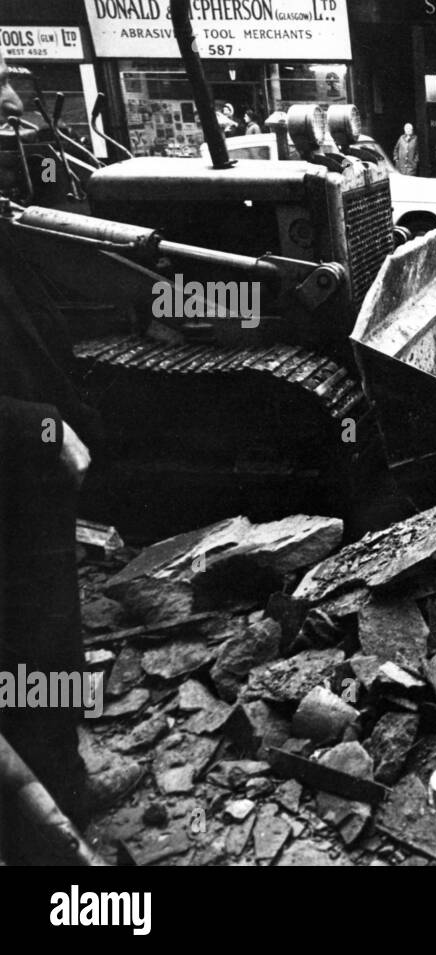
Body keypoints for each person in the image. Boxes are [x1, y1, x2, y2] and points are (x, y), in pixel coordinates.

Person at [1, 56, 105, 847]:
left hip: (32, 483)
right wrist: (43, 427)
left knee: (54, 630)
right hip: (15, 470)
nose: (14, 127)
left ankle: (64, 771)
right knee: (28, 637)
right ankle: (43, 817)